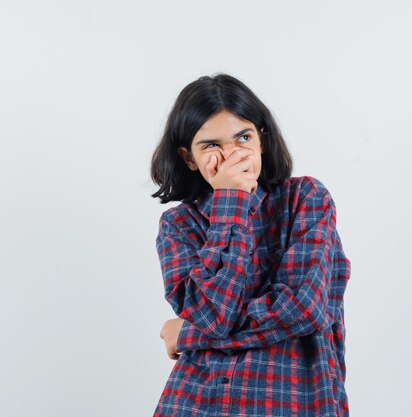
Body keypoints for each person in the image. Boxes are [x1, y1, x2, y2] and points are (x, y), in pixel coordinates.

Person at [149, 73, 351, 417]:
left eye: (243, 137)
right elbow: (214, 316)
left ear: (262, 140)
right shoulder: (178, 225)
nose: (231, 155)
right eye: (211, 145)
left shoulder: (305, 198)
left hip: (294, 399)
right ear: (189, 158)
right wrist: (231, 201)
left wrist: (188, 335)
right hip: (198, 401)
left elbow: (303, 310)